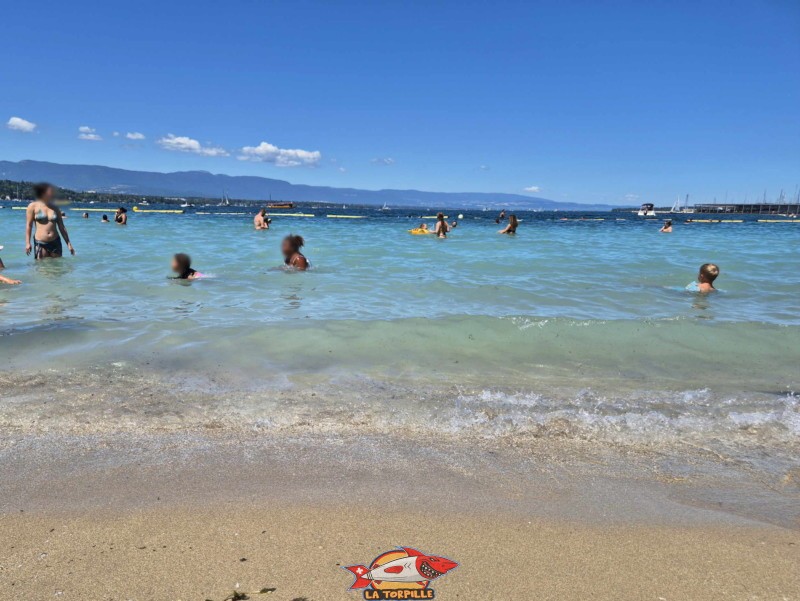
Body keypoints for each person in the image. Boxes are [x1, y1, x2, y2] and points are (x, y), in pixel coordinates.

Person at [25, 183, 76, 259]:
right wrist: (27, 243)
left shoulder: (55, 208)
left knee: (56, 268)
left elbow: (62, 227)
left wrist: (69, 244)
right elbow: (29, 225)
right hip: (40, 242)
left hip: (55, 241)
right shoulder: (33, 206)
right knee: (41, 268)